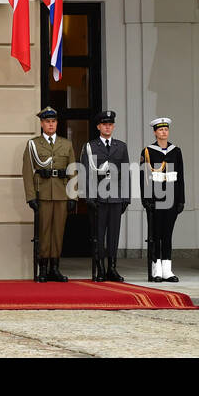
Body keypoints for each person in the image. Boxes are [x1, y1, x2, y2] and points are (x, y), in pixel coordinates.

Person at [22, 106, 77, 282]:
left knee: (58, 232)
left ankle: (55, 268)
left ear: (57, 123)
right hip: (43, 193)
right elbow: (26, 171)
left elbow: (73, 171)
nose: (51, 124)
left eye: (53, 121)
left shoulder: (66, 144)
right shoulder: (34, 144)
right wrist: (31, 196)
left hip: (61, 194)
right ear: (41, 124)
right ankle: (43, 268)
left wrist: (73, 196)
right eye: (47, 121)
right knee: (44, 232)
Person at [79, 109, 131, 283]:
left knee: (114, 234)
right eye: (104, 125)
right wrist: (89, 197)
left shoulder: (121, 146)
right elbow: (85, 172)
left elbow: (125, 172)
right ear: (98, 126)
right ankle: (100, 267)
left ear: (113, 127)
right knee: (99, 234)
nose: (107, 128)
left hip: (116, 196)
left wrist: (126, 198)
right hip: (98, 197)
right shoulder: (91, 146)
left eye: (110, 125)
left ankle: (112, 268)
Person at [140, 116, 186, 283]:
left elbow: (181, 177)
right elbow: (144, 177)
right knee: (156, 234)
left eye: (166, 129)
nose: (164, 132)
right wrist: (146, 199)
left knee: (168, 234)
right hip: (155, 198)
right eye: (160, 130)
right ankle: (156, 269)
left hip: (172, 197)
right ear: (155, 132)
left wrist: (181, 199)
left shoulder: (176, 151)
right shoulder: (148, 151)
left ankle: (167, 270)